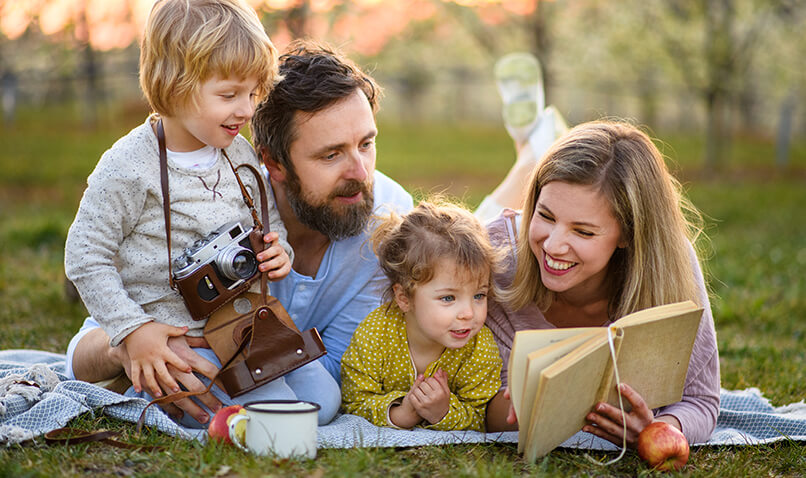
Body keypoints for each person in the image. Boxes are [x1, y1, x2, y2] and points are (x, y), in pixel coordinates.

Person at [66, 39, 413, 425]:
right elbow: (81, 355)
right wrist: (135, 350)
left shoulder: (389, 221)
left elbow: (340, 376)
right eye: (330, 154)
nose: (361, 173)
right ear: (273, 163)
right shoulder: (217, 206)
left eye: (366, 144)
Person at [483, 120, 720, 448]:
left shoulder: (670, 266)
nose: (553, 245)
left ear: (628, 233)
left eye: (583, 231)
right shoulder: (493, 255)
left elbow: (701, 401)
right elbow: (459, 395)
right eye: (546, 216)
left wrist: (657, 430)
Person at [341, 200, 502, 431]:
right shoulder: (375, 334)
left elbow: (481, 415)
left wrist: (444, 412)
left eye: (479, 295)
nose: (468, 313)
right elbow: (353, 400)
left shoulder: (479, 348)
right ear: (404, 298)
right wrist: (400, 413)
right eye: (448, 298)